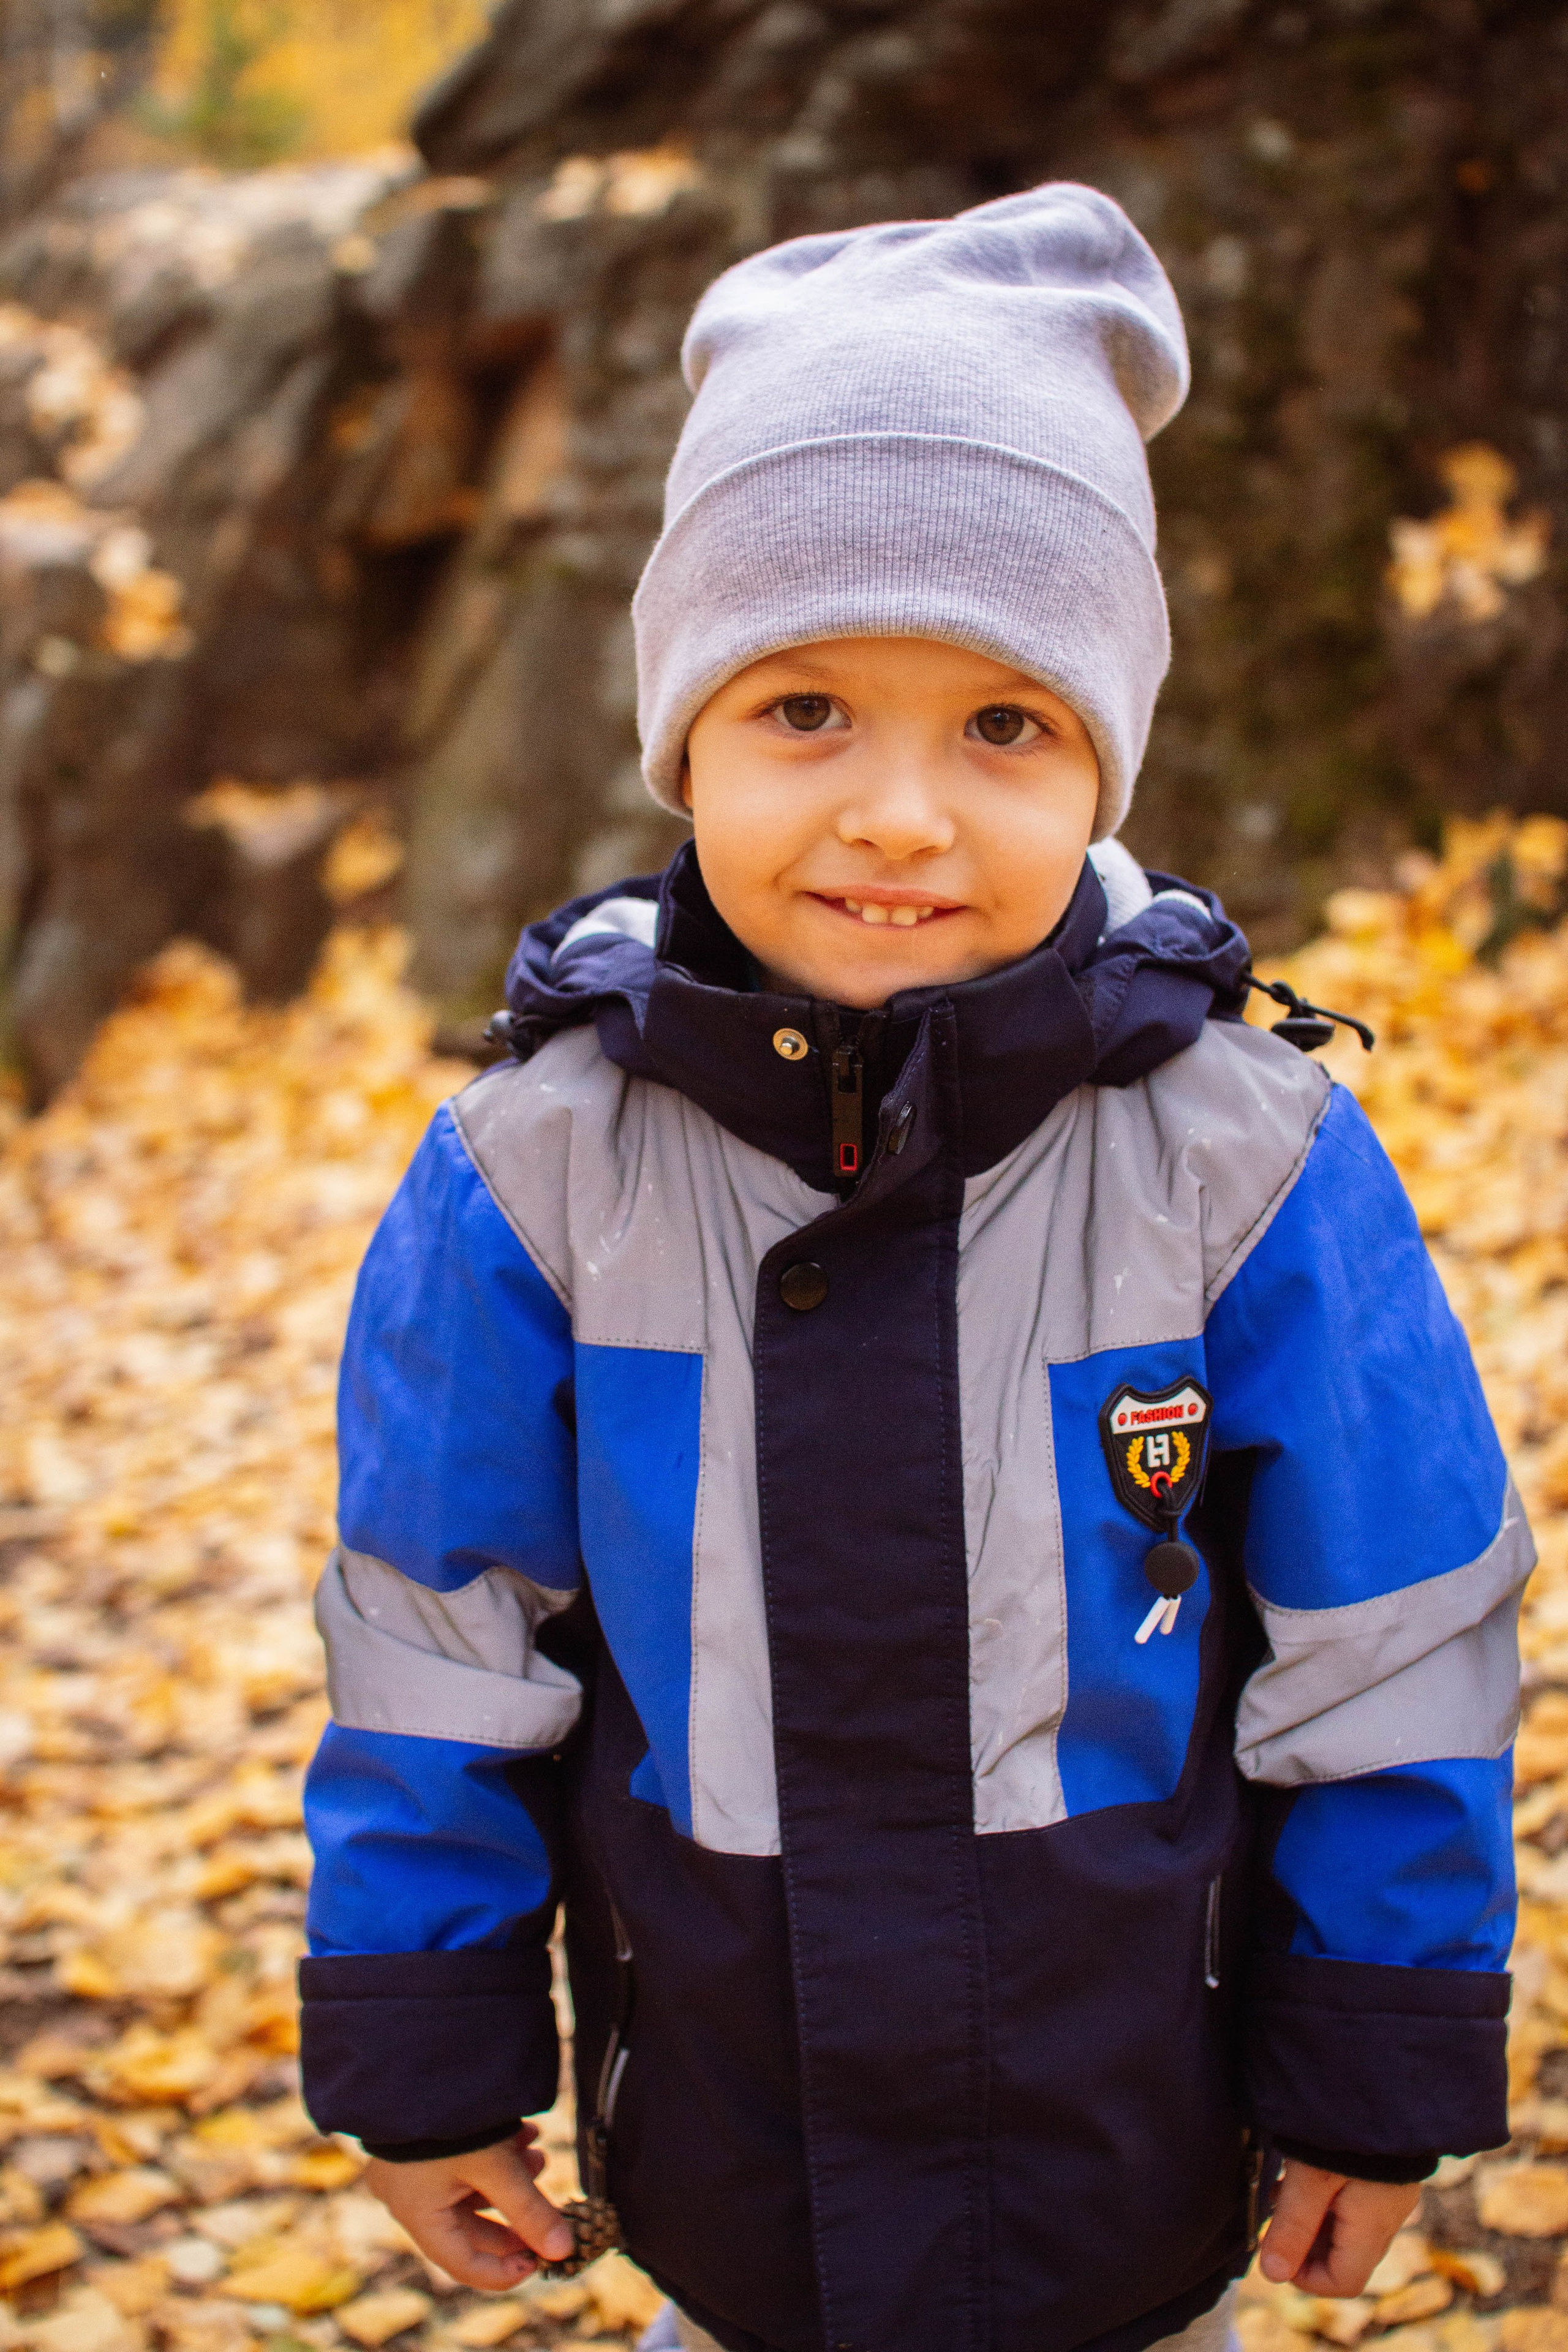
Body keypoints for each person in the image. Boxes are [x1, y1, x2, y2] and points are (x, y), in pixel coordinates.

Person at [298, 184, 1528, 2352]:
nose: (897, 814)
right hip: (732, 2171)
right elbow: (437, 1644)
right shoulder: (535, 1177)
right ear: (682, 727)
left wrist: (1377, 2061)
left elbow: (1390, 1636)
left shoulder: (1248, 1164)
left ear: (1104, 756)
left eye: (1003, 727)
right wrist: (423, 2049)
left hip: (1129, 2150)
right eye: (803, 711)